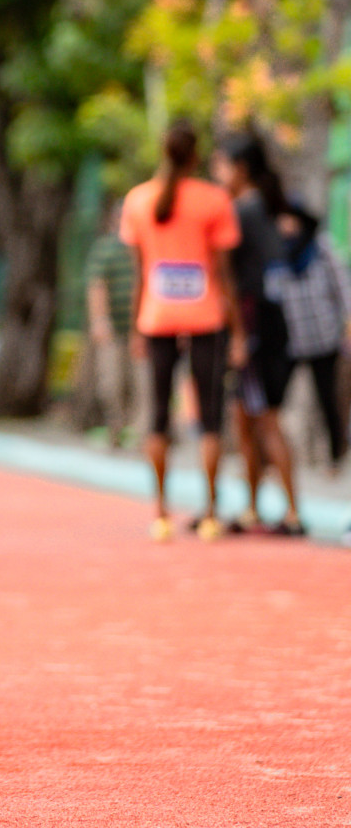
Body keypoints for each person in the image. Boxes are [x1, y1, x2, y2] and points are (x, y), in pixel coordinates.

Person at [120, 121, 244, 542]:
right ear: (195, 156)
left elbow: (139, 272)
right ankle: (209, 512)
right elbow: (224, 274)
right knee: (210, 418)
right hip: (205, 318)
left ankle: (160, 513)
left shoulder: (138, 200)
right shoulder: (214, 200)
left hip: (156, 318)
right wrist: (238, 330)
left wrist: (137, 322)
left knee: (157, 417)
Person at [211, 129, 305, 536]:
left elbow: (237, 274)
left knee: (262, 419)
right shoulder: (268, 207)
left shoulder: (244, 212)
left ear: (240, 168)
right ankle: (255, 508)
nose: (216, 173)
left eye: (220, 164)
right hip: (271, 324)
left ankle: (292, 512)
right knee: (249, 418)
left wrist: (237, 333)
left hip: (255, 326)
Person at [270, 204, 351, 466]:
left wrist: (348, 321)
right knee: (273, 399)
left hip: (323, 336)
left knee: (328, 399)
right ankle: (271, 457)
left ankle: (335, 455)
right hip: (290, 339)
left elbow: (343, 285)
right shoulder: (276, 253)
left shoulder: (321, 248)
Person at [86, 202, 143, 449]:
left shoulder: (143, 247)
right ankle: (115, 432)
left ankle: (142, 437)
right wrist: (100, 320)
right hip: (113, 328)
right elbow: (96, 285)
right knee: (111, 383)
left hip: (141, 329)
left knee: (143, 384)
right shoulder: (106, 248)